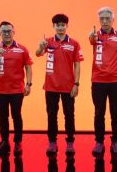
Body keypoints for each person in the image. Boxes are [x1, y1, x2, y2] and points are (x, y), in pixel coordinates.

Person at [36, 14, 83, 156]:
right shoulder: (48, 42)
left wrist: (76, 84)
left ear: (67, 26)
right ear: (54, 26)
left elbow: (77, 65)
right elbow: (38, 54)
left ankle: (70, 142)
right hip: (51, 86)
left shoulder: (74, 44)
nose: (60, 28)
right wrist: (41, 47)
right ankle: (52, 142)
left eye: (63, 25)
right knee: (51, 115)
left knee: (69, 115)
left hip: (68, 87)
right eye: (58, 25)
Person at [89, 7, 117, 156]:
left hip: (116, 80)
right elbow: (91, 40)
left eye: (107, 18)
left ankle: (116, 141)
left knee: (116, 112)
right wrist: (92, 37)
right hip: (98, 80)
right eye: (102, 19)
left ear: (113, 20)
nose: (105, 21)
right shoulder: (95, 35)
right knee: (99, 112)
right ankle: (99, 142)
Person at [0, 21, 32, 157]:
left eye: (9, 31)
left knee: (16, 116)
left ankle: (18, 142)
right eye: (4, 31)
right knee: (3, 116)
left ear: (14, 32)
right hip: (0, 89)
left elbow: (28, 67)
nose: (6, 33)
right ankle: (4, 142)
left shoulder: (22, 49)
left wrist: (28, 84)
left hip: (17, 90)